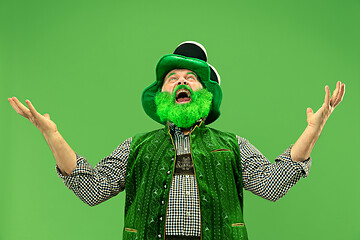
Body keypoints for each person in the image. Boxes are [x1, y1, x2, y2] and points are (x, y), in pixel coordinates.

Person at [8, 41, 346, 240]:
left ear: (206, 94)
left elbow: (273, 185)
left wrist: (312, 131)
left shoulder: (232, 144)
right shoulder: (137, 147)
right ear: (162, 95)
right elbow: (91, 189)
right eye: (172, 78)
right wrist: (52, 135)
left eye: (190, 78)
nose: (181, 82)